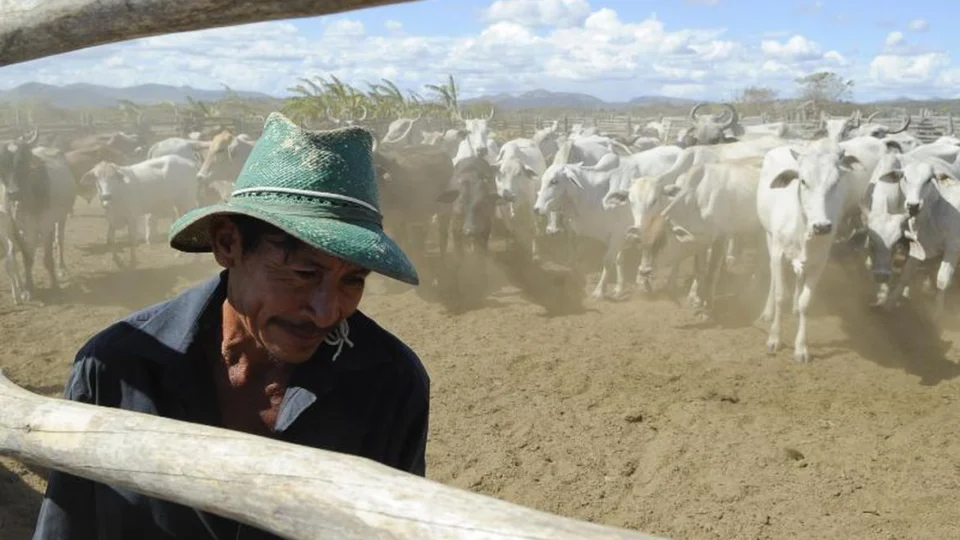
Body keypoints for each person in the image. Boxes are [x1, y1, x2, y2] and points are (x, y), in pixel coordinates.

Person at [32, 113, 430, 540]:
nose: (326, 312)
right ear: (228, 244)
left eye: (353, 280)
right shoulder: (114, 369)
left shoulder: (390, 383)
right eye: (301, 273)